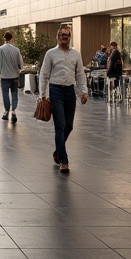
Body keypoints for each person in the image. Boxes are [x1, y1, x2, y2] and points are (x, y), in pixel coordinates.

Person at [39, 25, 88, 174]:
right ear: (58, 37)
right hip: (55, 91)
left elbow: (80, 74)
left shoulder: (76, 54)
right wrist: (43, 94)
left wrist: (83, 92)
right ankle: (64, 161)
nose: (63, 38)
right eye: (61, 35)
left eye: (66, 36)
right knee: (59, 126)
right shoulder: (51, 54)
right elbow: (44, 74)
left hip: (70, 91)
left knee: (69, 126)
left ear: (69, 37)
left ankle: (57, 152)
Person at [0, 31, 24, 121]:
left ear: (4, 39)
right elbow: (21, 63)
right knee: (14, 94)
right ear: (11, 39)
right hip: (15, 76)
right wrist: (19, 68)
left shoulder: (0, 49)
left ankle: (6, 112)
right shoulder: (16, 50)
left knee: (5, 94)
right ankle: (13, 111)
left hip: (4, 77)